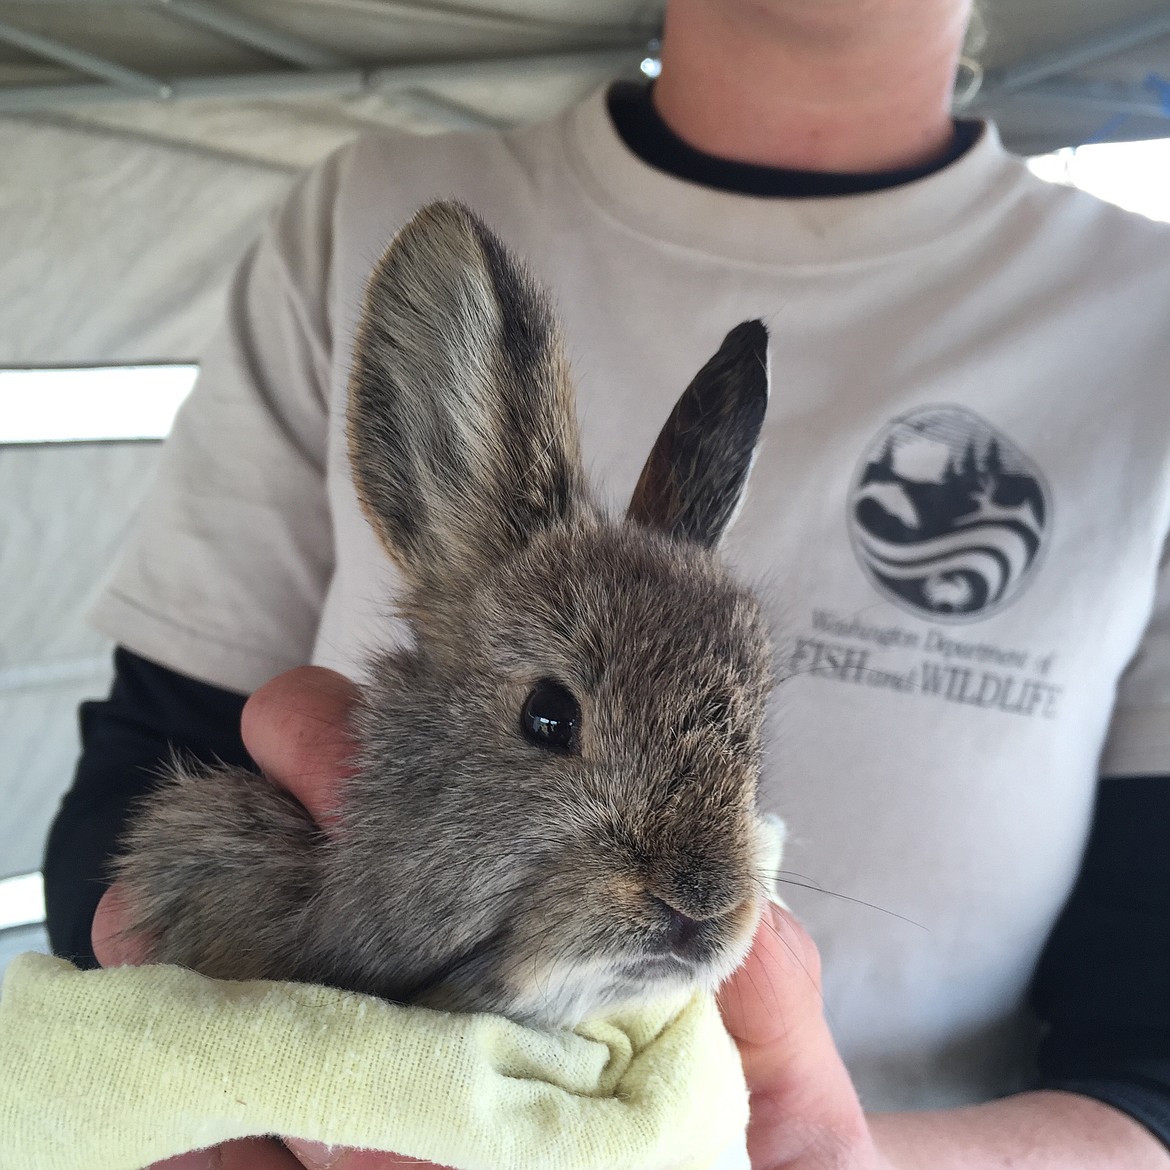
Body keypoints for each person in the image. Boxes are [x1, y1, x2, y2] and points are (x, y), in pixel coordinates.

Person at [44, 0, 1170, 1166]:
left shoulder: (1146, 319)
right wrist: (192, 1074)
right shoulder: (348, 213)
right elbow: (144, 776)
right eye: (552, 718)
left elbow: (1154, 1056)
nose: (696, 883)